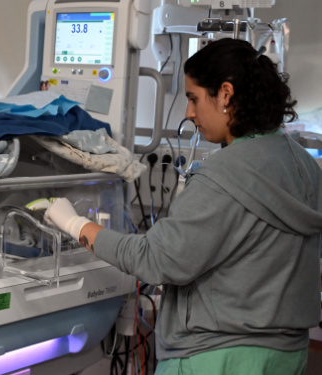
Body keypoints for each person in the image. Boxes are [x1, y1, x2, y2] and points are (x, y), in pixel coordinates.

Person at [45, 38, 322, 374]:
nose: (188, 114)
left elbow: (156, 259)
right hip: (286, 356)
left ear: (225, 94)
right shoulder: (306, 167)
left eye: (193, 98)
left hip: (216, 357)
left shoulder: (224, 176)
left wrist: (74, 224)